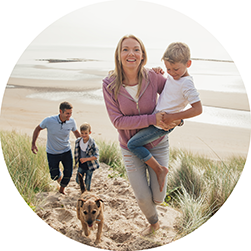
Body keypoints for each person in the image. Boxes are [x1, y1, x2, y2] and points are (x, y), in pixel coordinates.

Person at [102, 34, 180, 236]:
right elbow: (117, 121)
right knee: (143, 198)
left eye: (136, 49)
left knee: (158, 198)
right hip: (129, 146)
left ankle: (159, 177)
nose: (131, 53)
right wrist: (152, 119)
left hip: (158, 142)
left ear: (143, 55)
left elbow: (176, 95)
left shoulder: (153, 77)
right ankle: (154, 223)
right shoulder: (109, 84)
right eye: (125, 49)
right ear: (119, 55)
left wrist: (180, 118)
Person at [127, 42, 202, 192]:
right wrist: (158, 71)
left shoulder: (187, 83)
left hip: (161, 126)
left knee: (132, 145)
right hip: (157, 121)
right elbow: (169, 93)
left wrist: (174, 117)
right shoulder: (174, 77)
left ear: (188, 64)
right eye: (168, 68)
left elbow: (198, 109)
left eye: (176, 69)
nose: (172, 72)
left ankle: (159, 170)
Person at [31, 101, 81, 194]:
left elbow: (76, 133)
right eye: (67, 113)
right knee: (54, 176)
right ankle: (59, 174)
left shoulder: (71, 121)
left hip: (66, 151)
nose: (69, 116)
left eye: (70, 113)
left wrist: (84, 143)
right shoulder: (49, 121)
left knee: (69, 173)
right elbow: (38, 129)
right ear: (60, 111)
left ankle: (62, 189)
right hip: (52, 152)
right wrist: (33, 143)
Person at [74, 122, 99, 191]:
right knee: (77, 180)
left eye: (86, 133)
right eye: (82, 133)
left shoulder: (92, 143)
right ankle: (83, 187)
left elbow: (96, 156)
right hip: (81, 165)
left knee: (87, 183)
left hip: (89, 166)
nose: (84, 135)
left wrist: (86, 159)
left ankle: (86, 193)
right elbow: (76, 153)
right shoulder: (78, 142)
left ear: (89, 132)